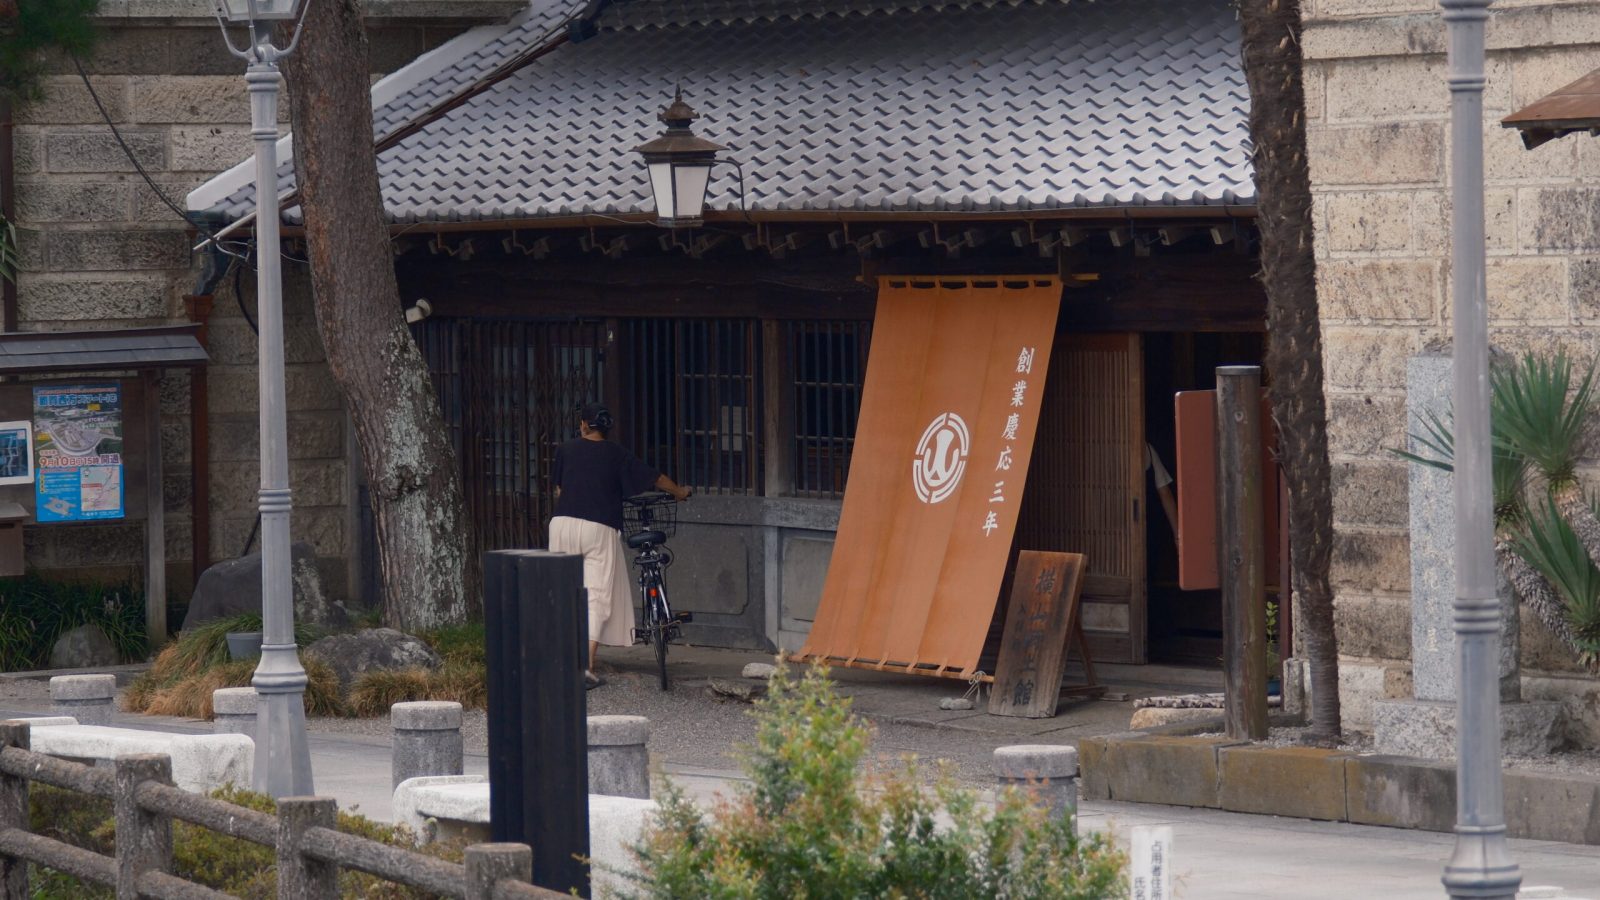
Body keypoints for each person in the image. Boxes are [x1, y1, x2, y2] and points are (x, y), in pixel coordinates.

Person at [550, 403, 690, 689]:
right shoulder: (615, 453)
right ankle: (585, 666)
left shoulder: (565, 449)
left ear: (584, 425)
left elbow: (559, 489)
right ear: (605, 429)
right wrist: (679, 492)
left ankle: (558, 660)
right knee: (597, 593)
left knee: (563, 589)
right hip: (598, 526)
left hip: (561, 523)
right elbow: (655, 478)